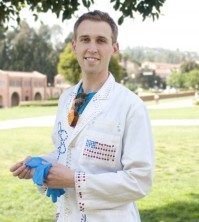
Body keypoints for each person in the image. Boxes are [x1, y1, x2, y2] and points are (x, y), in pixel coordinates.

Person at [10, 10, 154, 222]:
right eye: (85, 39)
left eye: (101, 40)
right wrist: (42, 164)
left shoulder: (131, 106)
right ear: (74, 46)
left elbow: (139, 181)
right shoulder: (66, 99)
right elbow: (69, 151)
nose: (92, 48)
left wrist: (75, 181)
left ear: (114, 48)